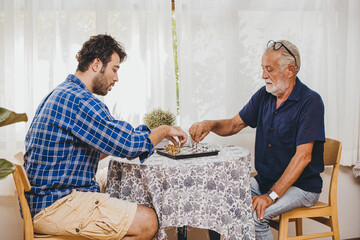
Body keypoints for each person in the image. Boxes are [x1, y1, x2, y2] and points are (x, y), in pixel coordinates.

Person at [24, 34, 188, 240]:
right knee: (148, 222)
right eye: (115, 69)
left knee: (115, 183)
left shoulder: (64, 93)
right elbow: (129, 146)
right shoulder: (79, 100)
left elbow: (107, 143)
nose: (116, 78)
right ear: (96, 64)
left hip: (47, 199)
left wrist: (141, 135)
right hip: (55, 206)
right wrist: (163, 130)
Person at [189, 40, 325, 239]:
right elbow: (234, 124)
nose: (263, 76)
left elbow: (303, 157)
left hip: (302, 187)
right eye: (263, 69)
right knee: (217, 204)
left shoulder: (310, 102)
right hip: (265, 182)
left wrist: (271, 196)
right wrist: (210, 124)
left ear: (290, 70)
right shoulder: (264, 96)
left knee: (256, 216)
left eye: (269, 69)